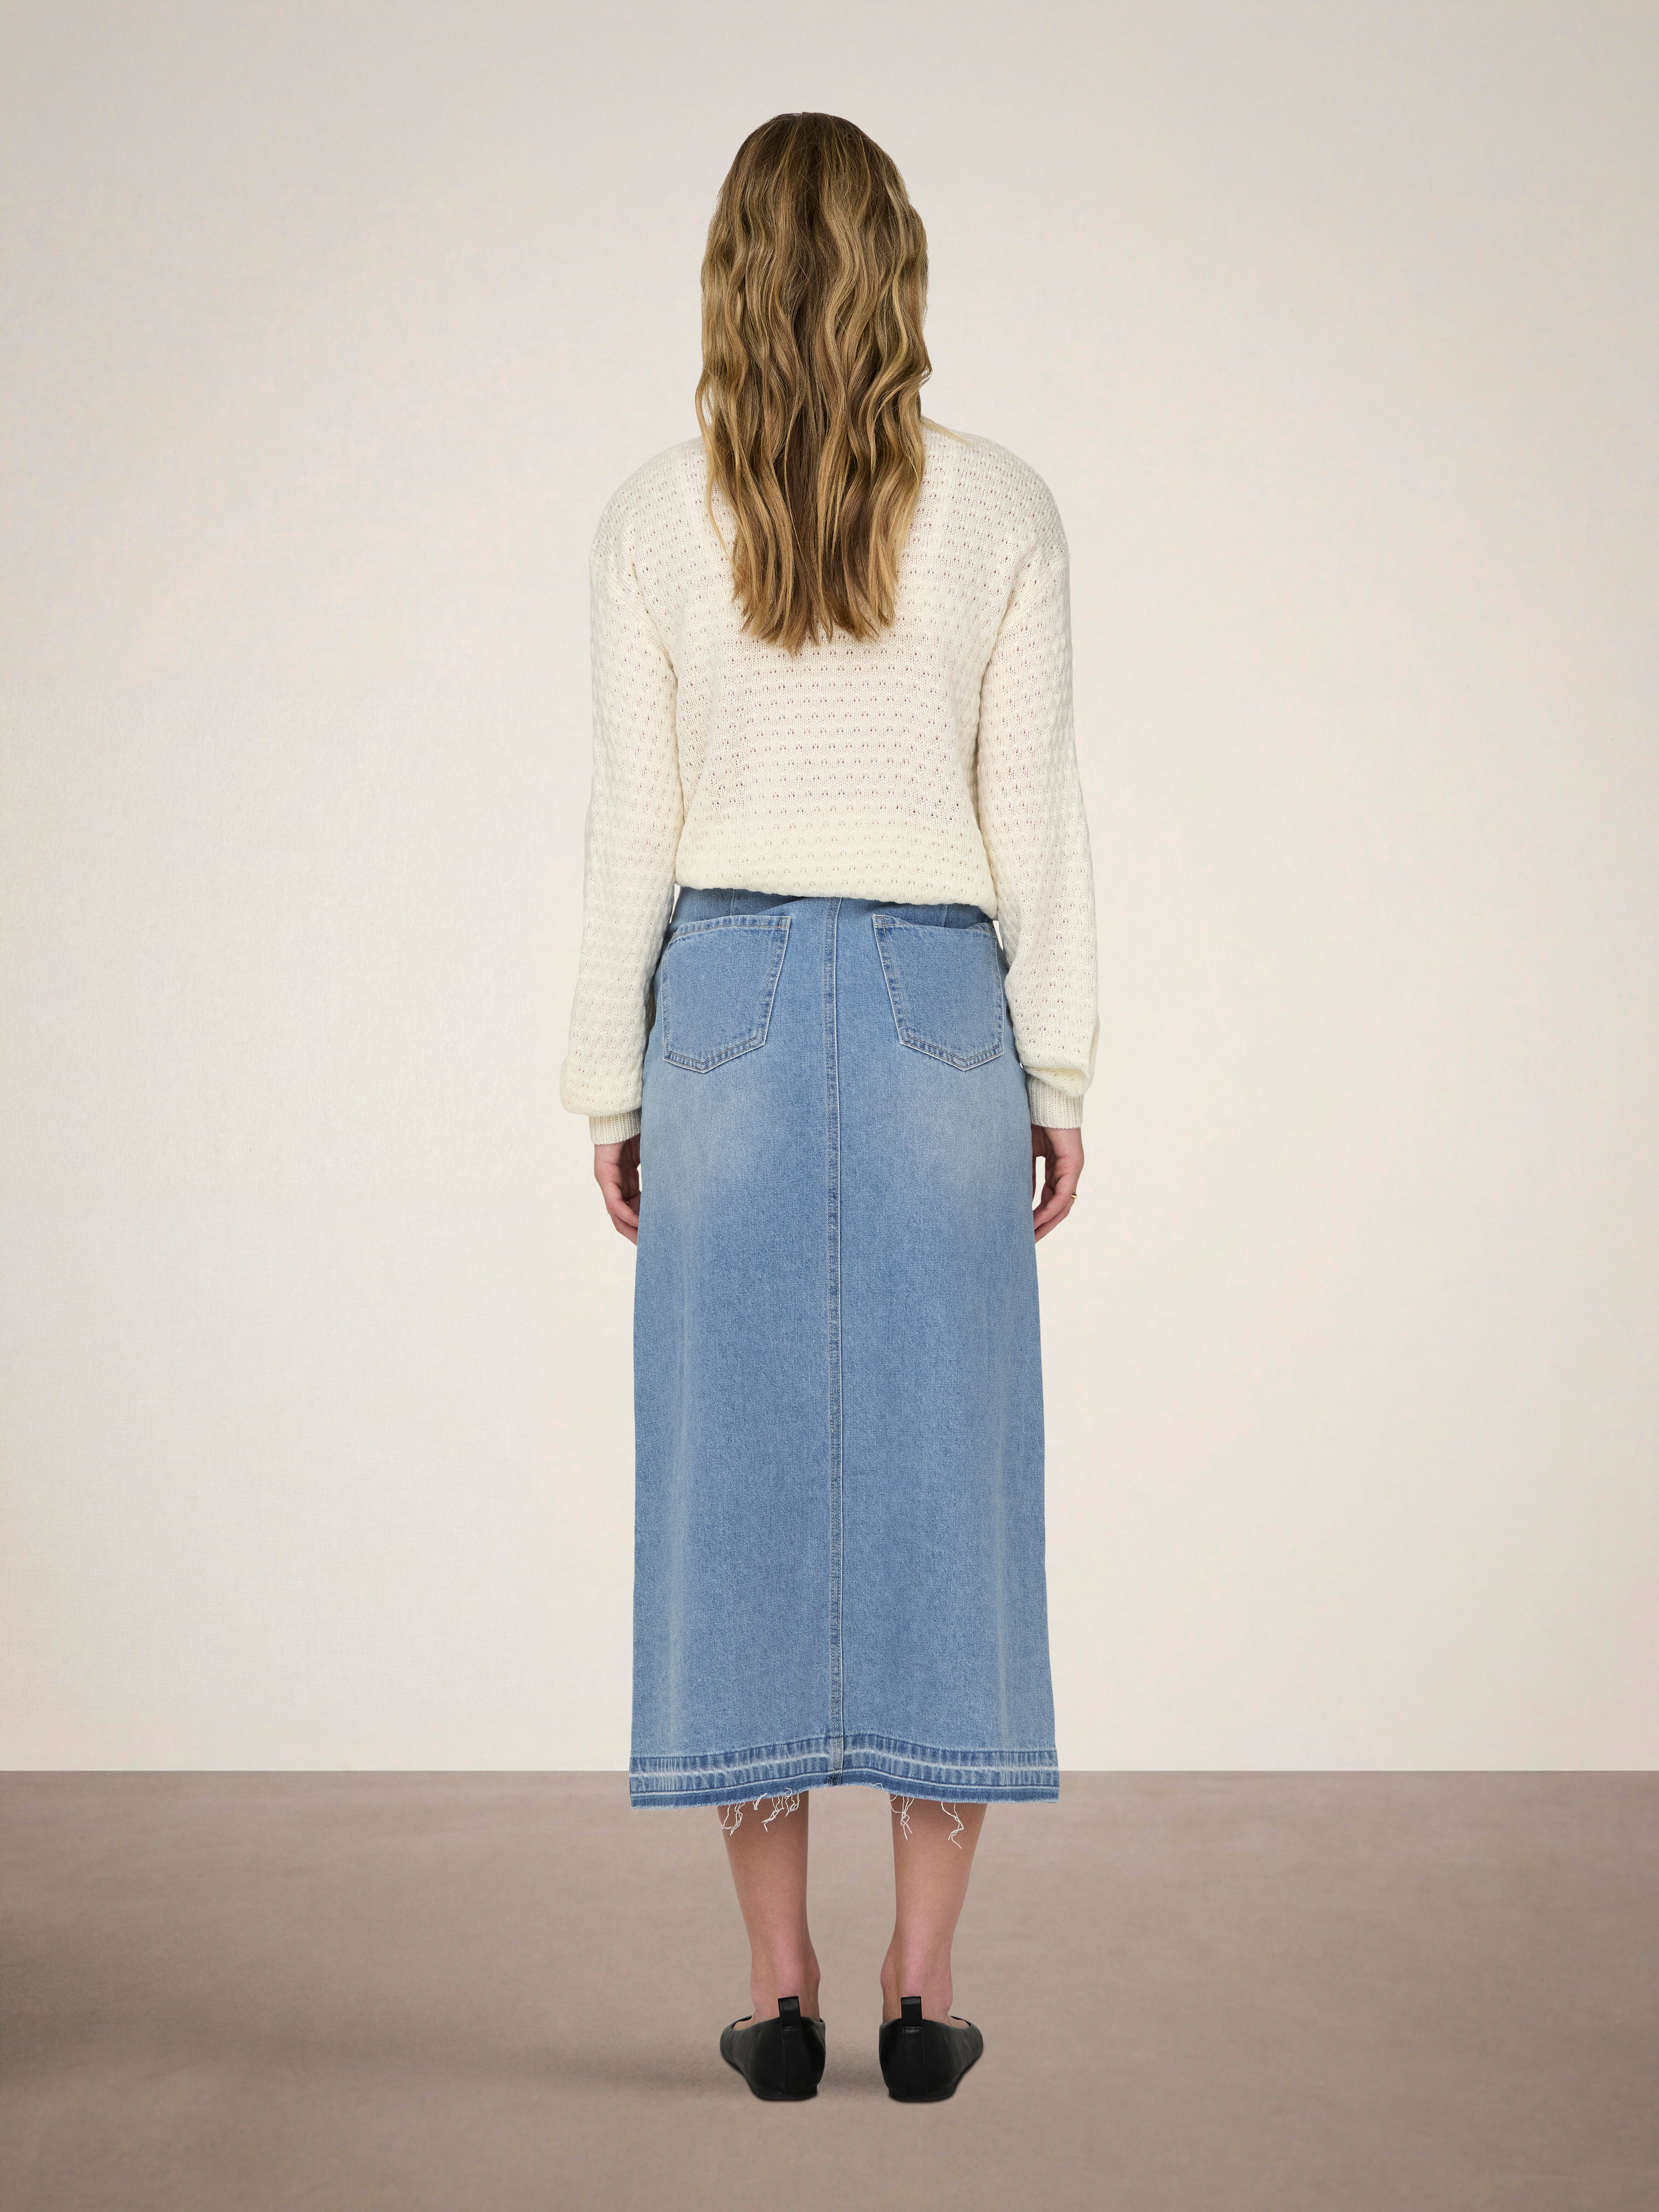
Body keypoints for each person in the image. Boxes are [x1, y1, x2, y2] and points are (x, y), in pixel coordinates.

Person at [559, 111, 1098, 2104]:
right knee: (954, 1482)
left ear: (729, 278)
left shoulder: (650, 520)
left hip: (724, 1011)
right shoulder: (1005, 509)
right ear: (900, 271)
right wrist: (1056, 1066)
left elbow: (630, 829)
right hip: (941, 1008)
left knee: (738, 1488)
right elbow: (1035, 819)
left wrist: (611, 1078)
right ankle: (922, 1987)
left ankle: (775, 1987)